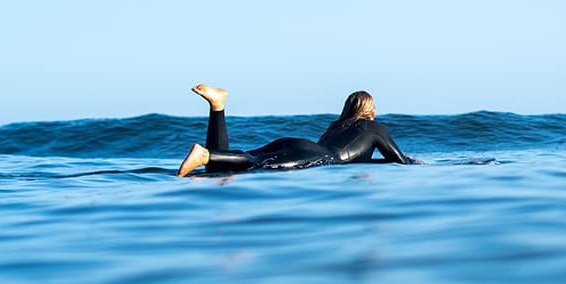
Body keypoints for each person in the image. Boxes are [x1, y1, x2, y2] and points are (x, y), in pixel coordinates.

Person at [176, 84, 413, 176]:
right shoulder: (373, 126)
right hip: (317, 156)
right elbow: (399, 160)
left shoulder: (336, 126)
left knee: (232, 163)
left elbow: (350, 157)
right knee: (253, 163)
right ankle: (205, 154)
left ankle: (217, 106)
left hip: (299, 144)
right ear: (371, 111)